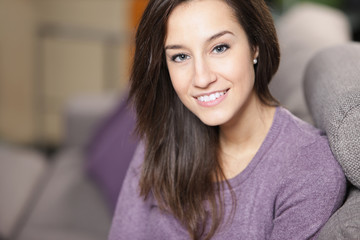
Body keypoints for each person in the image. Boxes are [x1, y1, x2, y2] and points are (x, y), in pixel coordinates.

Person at [108, 0, 346, 239]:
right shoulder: (162, 138)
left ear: (255, 45)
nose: (201, 78)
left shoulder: (309, 168)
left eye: (219, 48)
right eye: (180, 56)